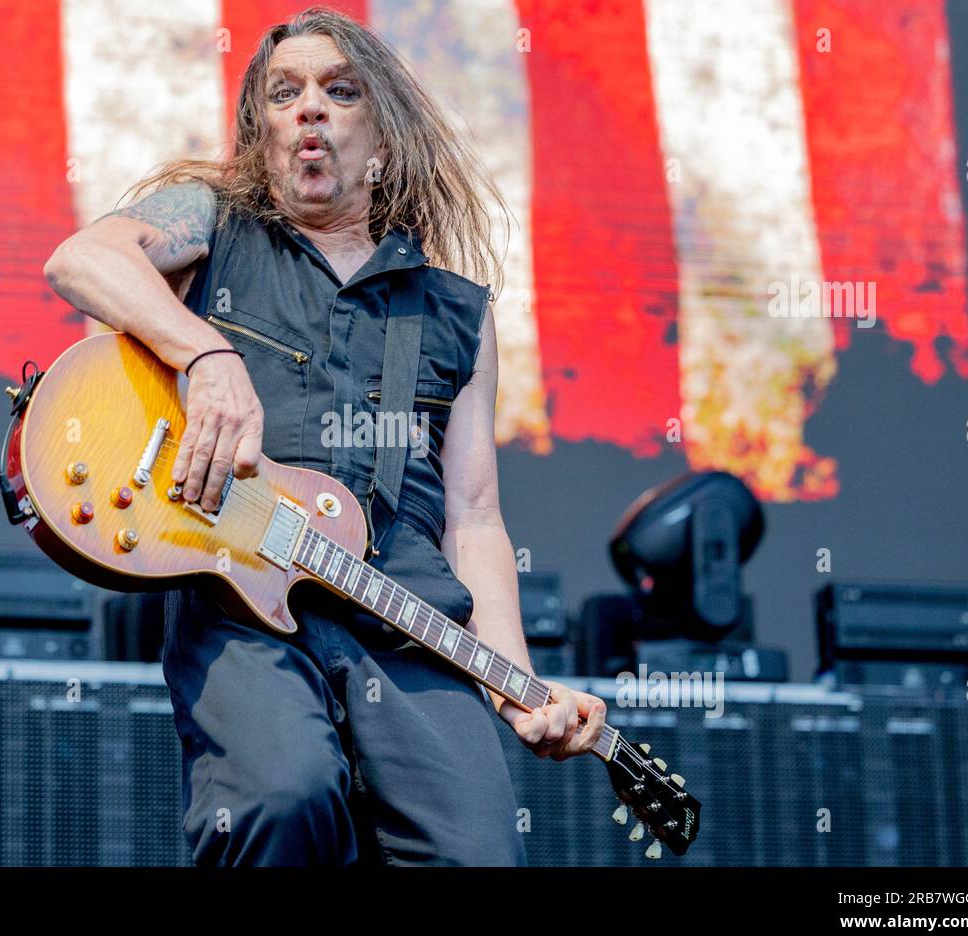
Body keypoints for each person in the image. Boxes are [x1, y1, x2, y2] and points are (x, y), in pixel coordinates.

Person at [43, 6, 606, 866]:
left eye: (340, 91)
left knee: (480, 855)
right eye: (284, 92)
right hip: (243, 591)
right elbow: (82, 261)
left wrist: (514, 681)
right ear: (260, 133)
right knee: (283, 796)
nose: (310, 108)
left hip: (406, 615)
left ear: (382, 133)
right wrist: (204, 354)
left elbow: (476, 518)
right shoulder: (213, 232)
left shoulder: (456, 311)